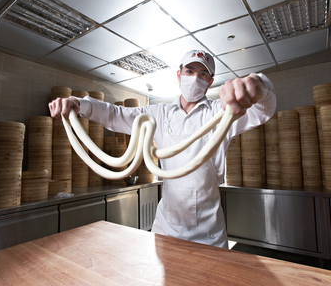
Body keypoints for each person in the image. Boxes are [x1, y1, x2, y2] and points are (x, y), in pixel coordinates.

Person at [49, 50, 277, 248]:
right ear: (179, 75)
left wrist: (258, 86)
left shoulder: (221, 111)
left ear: (210, 81)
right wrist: (79, 104)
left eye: (203, 74)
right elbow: (115, 115)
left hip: (208, 235)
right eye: (189, 71)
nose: (195, 78)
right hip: (166, 228)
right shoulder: (159, 113)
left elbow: (262, 111)